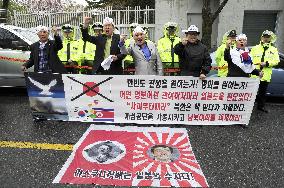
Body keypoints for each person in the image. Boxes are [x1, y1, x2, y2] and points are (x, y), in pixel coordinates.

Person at [250, 30, 280, 113]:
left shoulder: (273, 49)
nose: (266, 38)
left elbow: (276, 61)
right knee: (251, 92)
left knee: (262, 93)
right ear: (262, 37)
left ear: (270, 38)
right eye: (264, 37)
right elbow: (250, 60)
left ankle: (260, 106)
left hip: (265, 75)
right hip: (255, 74)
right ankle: (249, 107)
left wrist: (266, 63)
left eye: (268, 37)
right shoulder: (255, 48)